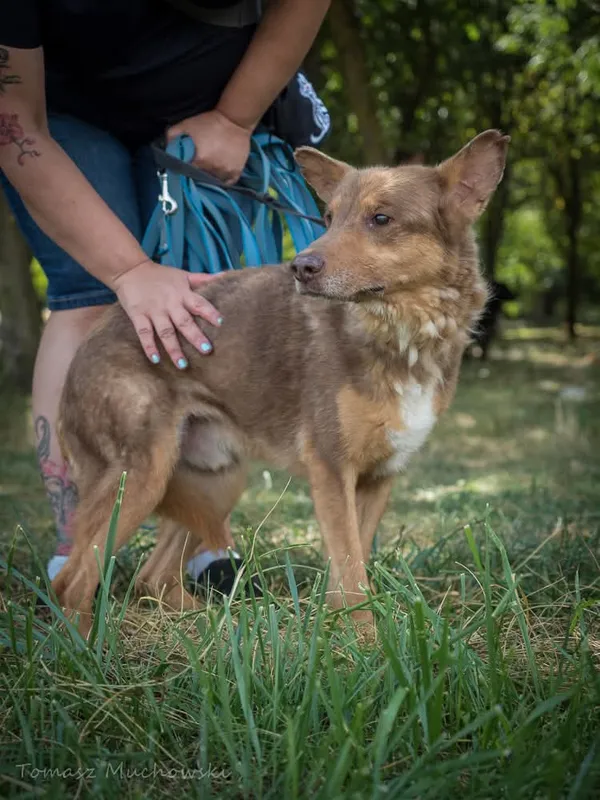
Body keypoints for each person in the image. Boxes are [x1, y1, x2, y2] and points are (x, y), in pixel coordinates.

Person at [0, 0, 331, 590]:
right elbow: (14, 120)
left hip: (214, 90)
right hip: (60, 109)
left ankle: (202, 545)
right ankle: (76, 542)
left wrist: (235, 119)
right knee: (89, 296)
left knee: (211, 300)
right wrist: (129, 271)